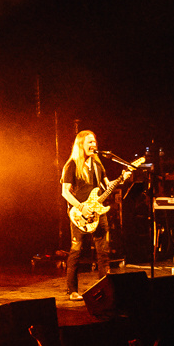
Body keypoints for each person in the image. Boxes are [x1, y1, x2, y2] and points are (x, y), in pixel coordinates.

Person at [59, 129, 111, 301]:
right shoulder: (72, 165)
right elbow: (65, 193)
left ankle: (107, 290)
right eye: (89, 142)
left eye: (94, 142)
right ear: (80, 144)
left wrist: (122, 178)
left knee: (103, 252)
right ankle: (72, 290)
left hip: (98, 211)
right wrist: (81, 208)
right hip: (79, 214)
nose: (93, 145)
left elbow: (107, 185)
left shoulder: (98, 165)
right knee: (76, 251)